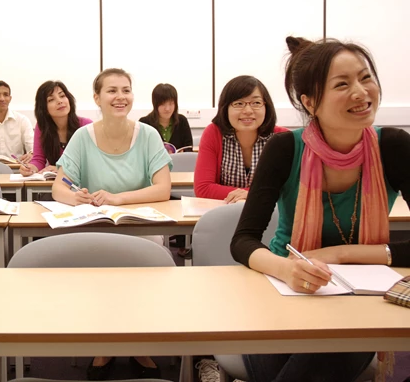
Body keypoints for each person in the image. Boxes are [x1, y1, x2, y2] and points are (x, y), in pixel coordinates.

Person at [231, 37, 410, 382]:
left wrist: (341, 253)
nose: (361, 92)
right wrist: (285, 269)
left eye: (366, 77)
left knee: (334, 348)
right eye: (342, 84)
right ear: (310, 102)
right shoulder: (285, 148)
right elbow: (243, 241)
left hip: (363, 300)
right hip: (286, 284)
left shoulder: (394, 147)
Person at [51, 68, 172, 381]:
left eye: (126, 90)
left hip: (142, 226)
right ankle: (105, 343)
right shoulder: (83, 136)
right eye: (112, 91)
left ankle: (138, 343)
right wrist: (73, 197)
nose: (121, 97)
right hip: (98, 226)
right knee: (100, 275)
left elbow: (162, 189)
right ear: (97, 98)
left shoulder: (148, 134)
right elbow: (59, 188)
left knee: (145, 271)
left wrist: (120, 199)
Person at [195, 75, 288, 203]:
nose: (248, 110)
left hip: (271, 217)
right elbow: (203, 189)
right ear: (225, 108)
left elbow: (290, 190)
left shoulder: (283, 138)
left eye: (256, 103)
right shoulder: (214, 134)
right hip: (225, 214)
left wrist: (248, 194)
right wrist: (254, 194)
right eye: (239, 103)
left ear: (266, 106)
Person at [19, 80, 92, 177]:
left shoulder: (86, 125)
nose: (60, 101)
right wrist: (30, 168)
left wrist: (61, 169)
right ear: (44, 108)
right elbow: (39, 160)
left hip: (83, 184)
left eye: (62, 96)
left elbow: (93, 163)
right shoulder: (42, 127)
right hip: (55, 183)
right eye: (51, 100)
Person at [139, 83, 193, 153]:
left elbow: (189, 148)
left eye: (171, 104)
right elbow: (140, 151)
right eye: (163, 104)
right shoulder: (144, 123)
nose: (167, 108)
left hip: (178, 163)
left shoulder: (182, 121)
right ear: (155, 104)